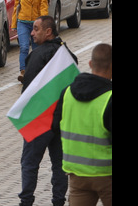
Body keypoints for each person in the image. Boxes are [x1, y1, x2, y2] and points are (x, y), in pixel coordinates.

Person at [19, 16, 77, 206]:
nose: (32, 33)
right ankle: (58, 201)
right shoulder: (67, 54)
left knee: (29, 163)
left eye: (36, 29)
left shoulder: (37, 55)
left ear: (48, 32)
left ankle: (26, 201)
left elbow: (28, 90)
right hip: (61, 123)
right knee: (59, 166)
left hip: (40, 121)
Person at [54, 43, 112, 206]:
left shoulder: (67, 93)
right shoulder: (110, 97)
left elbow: (55, 127)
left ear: (91, 64)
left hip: (77, 175)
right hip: (107, 174)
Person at [13, 0, 50, 74]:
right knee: (24, 47)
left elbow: (44, 9)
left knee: (36, 48)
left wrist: (43, 24)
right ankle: (23, 70)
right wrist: (14, 24)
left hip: (36, 24)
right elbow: (16, 8)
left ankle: (35, 70)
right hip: (22, 22)